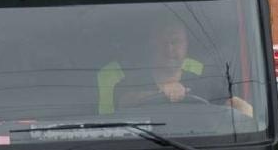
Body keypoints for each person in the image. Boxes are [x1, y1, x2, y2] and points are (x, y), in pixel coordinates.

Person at [102, 14, 253, 117]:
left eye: (175, 42)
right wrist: (161, 94)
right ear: (152, 46)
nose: (169, 49)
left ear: (186, 45)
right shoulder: (133, 80)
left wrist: (249, 117)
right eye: (162, 42)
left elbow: (232, 104)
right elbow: (124, 101)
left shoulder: (203, 81)